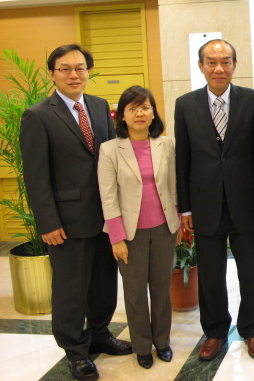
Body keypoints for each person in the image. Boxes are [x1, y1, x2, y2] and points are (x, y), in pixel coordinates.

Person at [20, 44, 131, 381]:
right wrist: (47, 222)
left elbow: (112, 159)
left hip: (105, 217)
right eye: (65, 68)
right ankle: (76, 351)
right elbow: (36, 176)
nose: (74, 74)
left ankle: (100, 334)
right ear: (51, 73)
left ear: (88, 71)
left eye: (80, 68)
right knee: (71, 290)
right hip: (66, 223)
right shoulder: (38, 115)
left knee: (103, 284)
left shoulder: (99, 107)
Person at [175, 38, 254, 361]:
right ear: (201, 66)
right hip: (205, 204)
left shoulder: (253, 101)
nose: (219, 68)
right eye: (211, 62)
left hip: (247, 203)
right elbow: (183, 160)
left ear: (234, 65)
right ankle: (214, 331)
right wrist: (184, 206)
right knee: (211, 274)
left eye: (226, 61)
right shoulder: (185, 105)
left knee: (253, 270)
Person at [97, 86, 181, 369]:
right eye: (132, 109)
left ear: (153, 112)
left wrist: (177, 223)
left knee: (161, 289)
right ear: (122, 116)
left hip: (163, 228)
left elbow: (172, 187)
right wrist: (117, 238)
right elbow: (108, 197)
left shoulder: (166, 144)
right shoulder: (110, 149)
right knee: (134, 292)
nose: (140, 113)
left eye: (145, 107)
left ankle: (162, 342)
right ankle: (142, 346)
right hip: (129, 234)